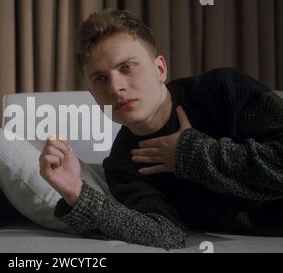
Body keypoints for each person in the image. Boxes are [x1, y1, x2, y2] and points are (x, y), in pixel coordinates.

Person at [38, 9, 283, 249]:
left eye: (127, 67)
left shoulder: (222, 90)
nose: (115, 87)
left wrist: (191, 153)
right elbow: (166, 234)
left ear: (160, 69)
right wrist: (76, 193)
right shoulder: (122, 164)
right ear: (94, 96)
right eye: (101, 78)